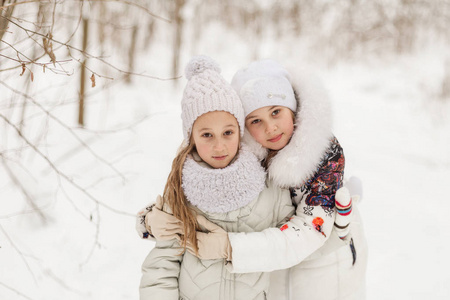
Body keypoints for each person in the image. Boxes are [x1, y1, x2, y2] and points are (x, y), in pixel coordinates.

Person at [139, 59, 368, 300]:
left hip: (324, 265)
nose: (270, 128)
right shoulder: (246, 158)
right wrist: (148, 221)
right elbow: (171, 242)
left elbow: (312, 233)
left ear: (292, 108)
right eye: (255, 121)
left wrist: (340, 230)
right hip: (269, 266)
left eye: (276, 112)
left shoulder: (324, 155)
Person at [139, 56, 295, 300]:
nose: (219, 146)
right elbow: (162, 266)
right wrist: (147, 220)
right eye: (207, 135)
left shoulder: (269, 186)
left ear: (240, 131)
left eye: (228, 133)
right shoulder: (181, 189)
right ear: (191, 137)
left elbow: (292, 244)